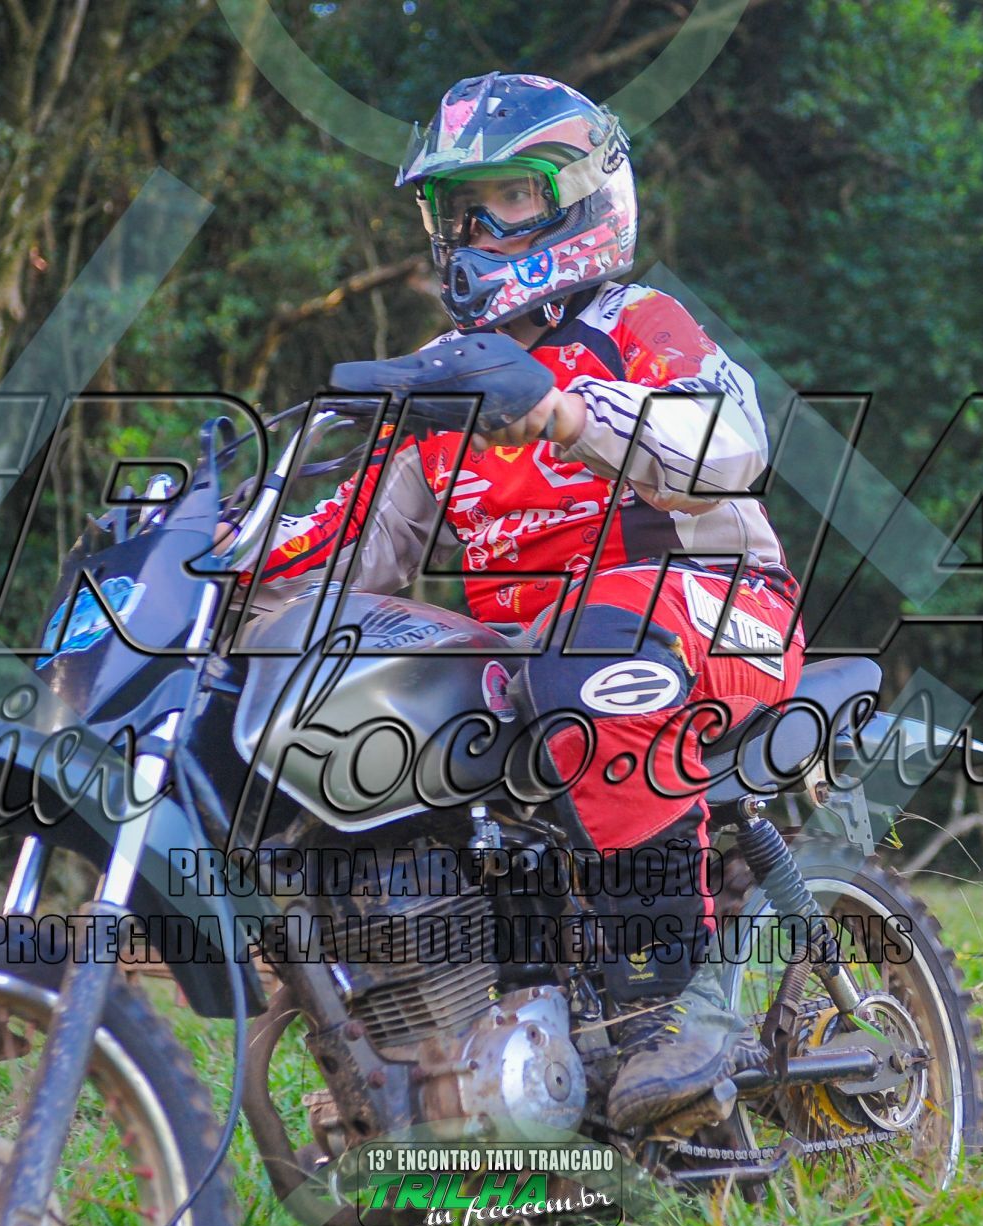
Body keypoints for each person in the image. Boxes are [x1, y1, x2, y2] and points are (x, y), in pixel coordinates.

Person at [244, 72, 807, 1134]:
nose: (471, 231)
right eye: (456, 207)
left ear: (580, 196)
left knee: (594, 662)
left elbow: (732, 445)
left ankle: (664, 1009)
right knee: (364, 701)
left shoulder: (640, 323)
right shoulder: (447, 380)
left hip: (721, 608)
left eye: (503, 198)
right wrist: (218, 560)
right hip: (540, 652)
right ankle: (466, 1040)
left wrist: (565, 411)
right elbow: (356, 544)